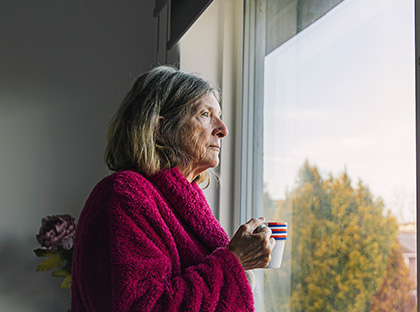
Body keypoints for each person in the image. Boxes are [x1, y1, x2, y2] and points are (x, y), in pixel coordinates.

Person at [71, 66, 275, 311]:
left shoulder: (180, 200)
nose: (223, 129)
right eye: (205, 114)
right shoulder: (124, 194)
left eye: (218, 115)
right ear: (160, 129)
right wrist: (233, 261)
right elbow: (143, 305)